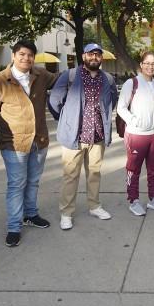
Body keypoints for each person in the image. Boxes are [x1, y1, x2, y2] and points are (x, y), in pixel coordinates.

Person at [0, 39, 58, 247]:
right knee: (16, 184)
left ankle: (31, 214)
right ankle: (14, 226)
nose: (26, 58)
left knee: (33, 181)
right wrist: (10, 125)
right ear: (13, 56)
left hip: (39, 140)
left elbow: (60, 80)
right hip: (14, 143)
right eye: (22, 54)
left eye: (30, 55)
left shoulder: (41, 75)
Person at [48, 43, 118, 230]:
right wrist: (65, 118)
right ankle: (66, 213)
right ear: (83, 55)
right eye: (90, 54)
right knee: (70, 176)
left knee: (94, 174)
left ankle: (94, 206)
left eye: (97, 55)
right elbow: (55, 100)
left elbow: (113, 100)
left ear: (101, 58)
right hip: (74, 136)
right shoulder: (70, 76)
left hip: (97, 135)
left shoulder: (108, 79)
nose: (94, 57)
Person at [116, 51, 154, 216]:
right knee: (133, 169)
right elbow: (121, 107)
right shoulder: (132, 83)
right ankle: (134, 200)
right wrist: (134, 122)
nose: (150, 66)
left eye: (153, 64)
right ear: (141, 65)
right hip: (137, 135)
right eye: (147, 63)